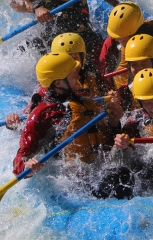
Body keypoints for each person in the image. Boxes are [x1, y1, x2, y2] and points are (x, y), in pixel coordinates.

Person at [12, 52, 123, 182]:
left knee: (122, 176)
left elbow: (105, 139)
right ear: (58, 83)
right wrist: (27, 167)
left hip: (98, 169)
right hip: (69, 180)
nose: (78, 75)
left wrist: (114, 122)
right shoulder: (42, 114)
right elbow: (21, 157)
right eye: (72, 74)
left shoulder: (84, 100)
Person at [5, 33, 109, 130]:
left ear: (82, 57)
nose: (70, 63)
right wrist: (14, 122)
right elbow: (30, 115)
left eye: (74, 58)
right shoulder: (50, 86)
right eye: (65, 59)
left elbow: (108, 97)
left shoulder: (93, 78)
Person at [96, 1, 153, 88]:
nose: (117, 38)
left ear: (135, 31)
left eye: (121, 36)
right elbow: (101, 72)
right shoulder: (110, 43)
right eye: (115, 35)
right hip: (126, 90)